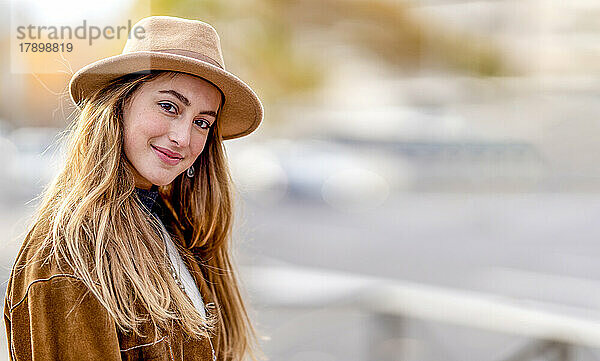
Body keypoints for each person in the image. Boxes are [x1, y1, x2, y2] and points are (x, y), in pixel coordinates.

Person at [3, 16, 264, 361]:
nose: (183, 138)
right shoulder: (69, 251)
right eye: (169, 106)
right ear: (119, 103)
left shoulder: (175, 229)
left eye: (202, 122)